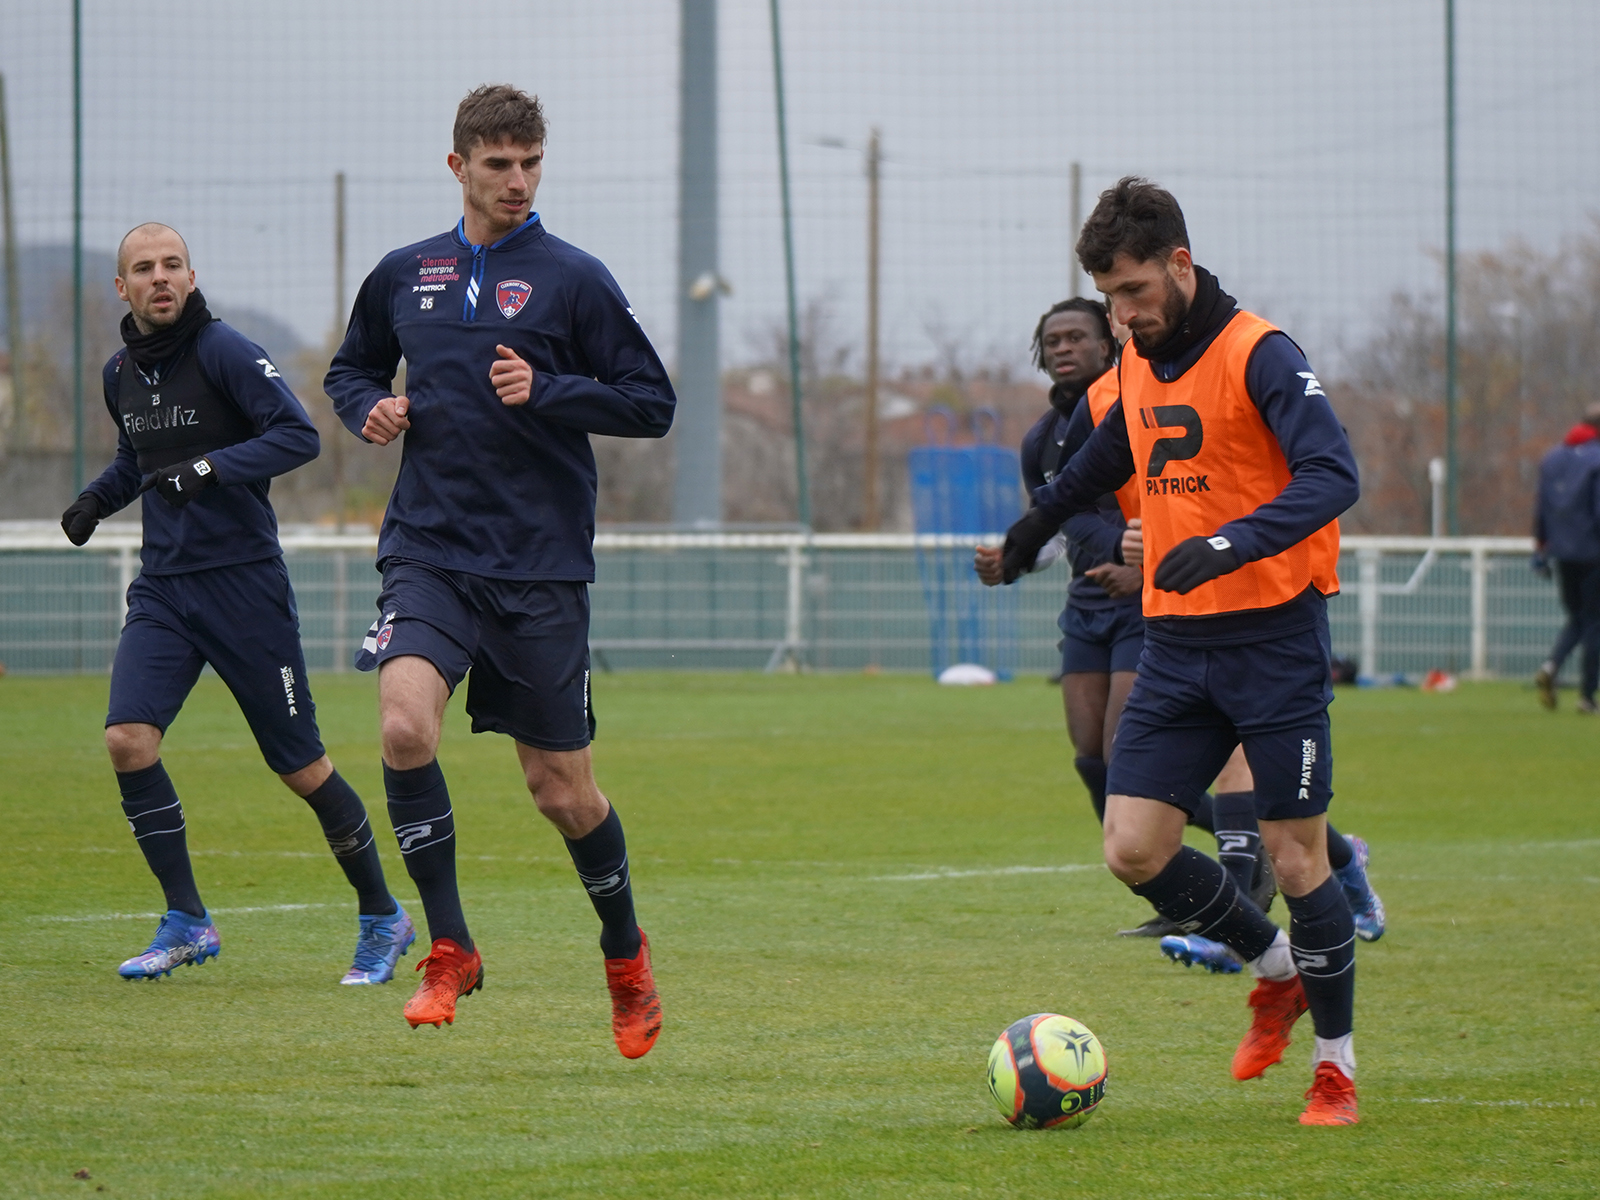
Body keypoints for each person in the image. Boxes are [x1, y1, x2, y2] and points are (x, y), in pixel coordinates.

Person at [1000, 178, 1363, 1125]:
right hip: (1175, 644)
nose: (1122, 315)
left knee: (1294, 860)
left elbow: (1335, 474)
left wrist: (1229, 541)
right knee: (1132, 846)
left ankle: (1336, 1066)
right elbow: (1101, 463)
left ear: (1180, 265)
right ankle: (1274, 968)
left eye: (1133, 293)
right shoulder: (1140, 365)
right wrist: (1029, 534)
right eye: (1108, 297)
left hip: (1275, 640)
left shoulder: (1261, 354)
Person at [324, 85, 675, 1055]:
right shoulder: (406, 273)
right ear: (458, 167)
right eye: (498, 165)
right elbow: (352, 368)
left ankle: (623, 955)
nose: (516, 181)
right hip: (430, 550)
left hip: (539, 566)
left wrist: (548, 389)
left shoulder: (574, 279)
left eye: (530, 163)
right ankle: (449, 945)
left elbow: (652, 402)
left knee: (561, 794)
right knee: (401, 727)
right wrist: (371, 410)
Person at [60, 223, 414, 985]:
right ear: (121, 289)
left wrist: (211, 469)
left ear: (192, 276)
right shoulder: (120, 370)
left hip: (243, 586)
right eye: (144, 269)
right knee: (128, 739)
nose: (161, 278)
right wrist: (96, 500)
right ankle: (188, 920)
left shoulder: (223, 351)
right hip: (164, 589)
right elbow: (138, 460)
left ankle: (383, 915)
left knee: (301, 767)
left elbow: (298, 436)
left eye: (173, 266)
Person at [1532, 410, 1600, 713]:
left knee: (1578, 618)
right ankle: (1587, 696)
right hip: (1593, 552)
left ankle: (1551, 665)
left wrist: (1541, 547)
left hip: (1560, 551)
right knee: (1595, 622)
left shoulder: (1553, 458)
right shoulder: (1597, 459)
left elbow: (1541, 506)